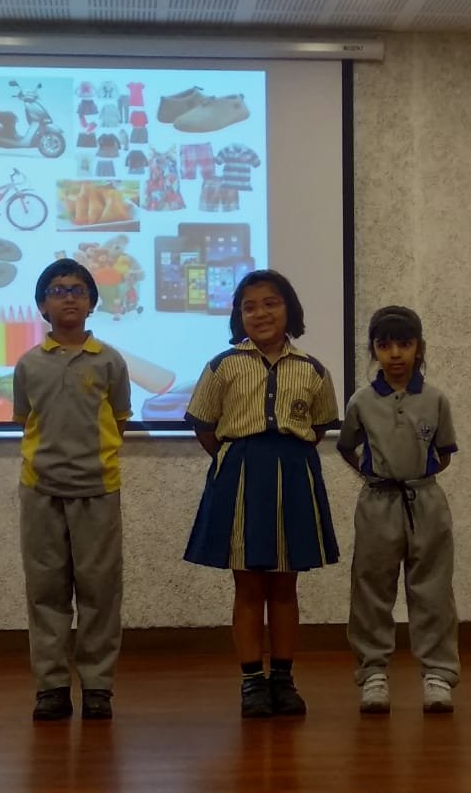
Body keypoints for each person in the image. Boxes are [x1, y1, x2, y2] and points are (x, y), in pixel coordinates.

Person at [183, 269, 340, 718]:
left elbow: (320, 426)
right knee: (249, 585)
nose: (260, 313)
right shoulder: (222, 366)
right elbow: (205, 427)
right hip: (239, 477)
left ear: (289, 309)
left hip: (294, 476)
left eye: (271, 303)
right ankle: (252, 681)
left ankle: (283, 680)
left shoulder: (313, 370)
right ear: (238, 316)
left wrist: (282, 456)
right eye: (249, 306)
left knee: (286, 584)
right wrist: (241, 459)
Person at [12, 259, 132, 721]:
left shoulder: (109, 361)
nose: (69, 297)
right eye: (58, 290)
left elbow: (118, 419)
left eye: (78, 290)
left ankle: (98, 686)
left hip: (97, 489)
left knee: (100, 591)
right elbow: (26, 420)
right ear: (42, 305)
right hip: (41, 491)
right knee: (46, 591)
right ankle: (52, 687)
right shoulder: (28, 364)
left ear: (92, 302)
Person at [338, 306, 459, 715]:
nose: (394, 354)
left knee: (433, 589)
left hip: (426, 502)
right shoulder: (361, 401)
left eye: (404, 344)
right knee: (371, 588)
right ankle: (373, 672)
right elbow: (348, 447)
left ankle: (437, 673)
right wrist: (376, 476)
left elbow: (444, 454)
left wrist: (414, 479)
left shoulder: (435, 399)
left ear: (418, 348)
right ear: (373, 349)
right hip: (377, 503)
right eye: (384, 345)